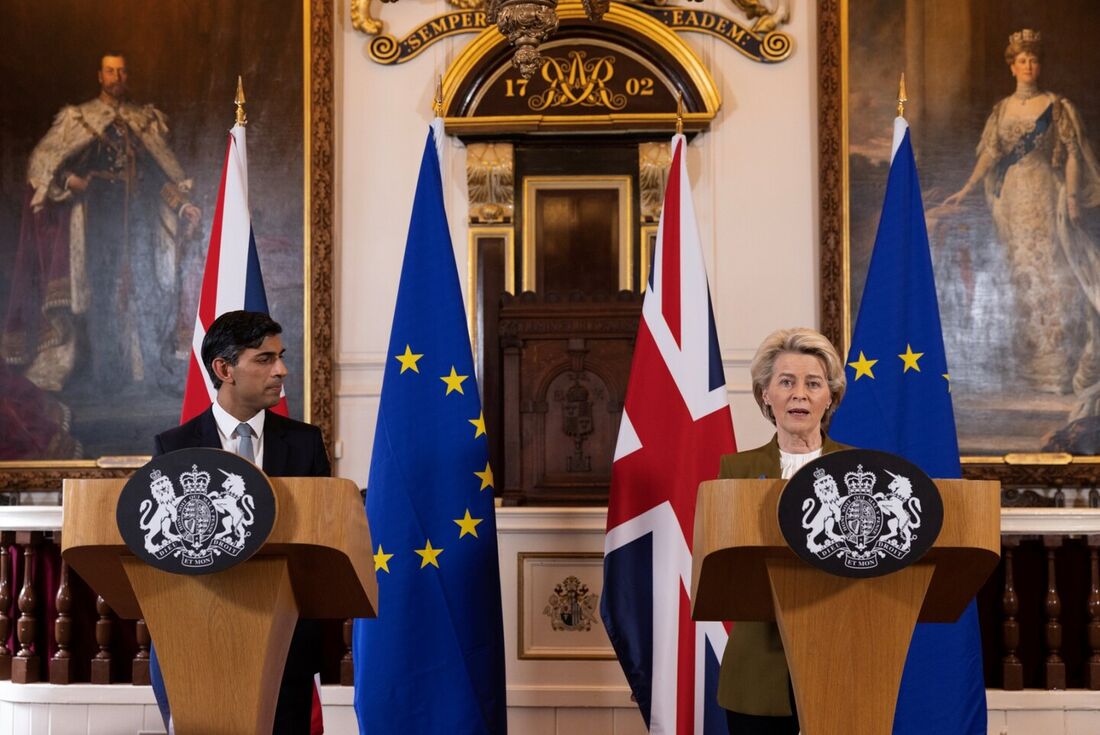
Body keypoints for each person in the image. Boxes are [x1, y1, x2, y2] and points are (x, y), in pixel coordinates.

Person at [152, 310, 328, 734]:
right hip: (202, 636)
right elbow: (167, 545)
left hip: (287, 641)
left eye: (280, 357)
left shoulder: (306, 443)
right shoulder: (174, 447)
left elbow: (321, 536)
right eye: (265, 359)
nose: (282, 370)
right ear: (224, 369)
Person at [3, 52, 201, 394]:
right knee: (103, 296)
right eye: (111, 71)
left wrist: (182, 205)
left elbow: (158, 174)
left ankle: (157, 372)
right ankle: (107, 378)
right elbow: (45, 163)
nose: (117, 77)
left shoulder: (143, 121)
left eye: (122, 71)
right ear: (100, 76)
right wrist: (68, 181)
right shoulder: (80, 119)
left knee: (149, 290)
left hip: (139, 222)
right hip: (96, 219)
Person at [940, 29, 1100, 397]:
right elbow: (991, 154)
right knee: (1019, 273)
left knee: (1051, 275)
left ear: (1039, 65)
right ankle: (1026, 369)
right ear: (1011, 67)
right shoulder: (1002, 110)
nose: (1028, 66)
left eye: (1033, 60)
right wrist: (966, 187)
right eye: (1021, 60)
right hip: (1011, 199)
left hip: (1045, 194)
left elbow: (1073, 154)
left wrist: (1073, 197)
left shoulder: (1057, 106)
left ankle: (1055, 368)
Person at [716, 327, 849, 735]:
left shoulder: (861, 471)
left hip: (840, 665)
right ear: (765, 395)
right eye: (786, 382)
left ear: (830, 397)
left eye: (813, 383)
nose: (800, 394)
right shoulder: (734, 471)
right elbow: (724, 570)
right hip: (758, 667)